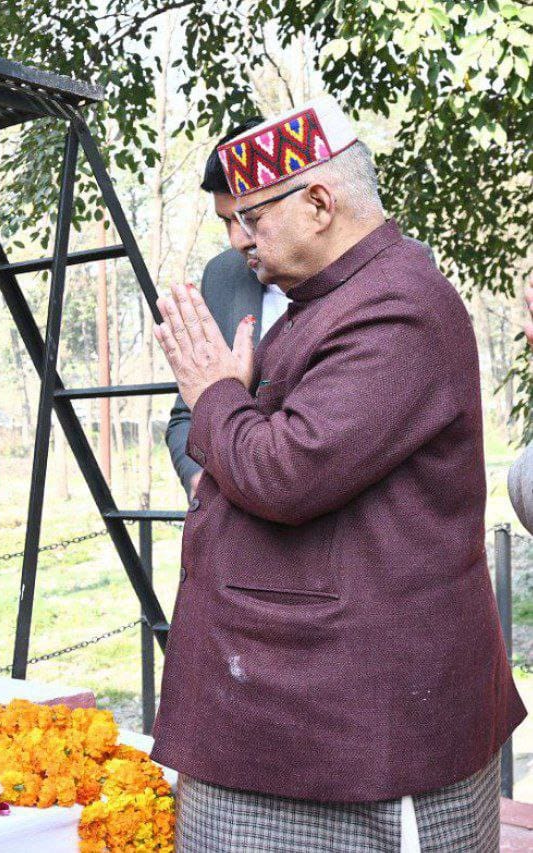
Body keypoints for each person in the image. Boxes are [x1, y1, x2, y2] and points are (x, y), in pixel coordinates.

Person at [151, 95, 524, 851]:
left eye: (249, 218)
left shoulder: (397, 305)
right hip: (287, 697)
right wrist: (231, 429)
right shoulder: (330, 301)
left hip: (337, 708)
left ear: (318, 202)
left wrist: (215, 394)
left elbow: (287, 471)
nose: (237, 242)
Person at [166, 116, 288, 500]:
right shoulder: (222, 276)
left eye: (249, 219)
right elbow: (186, 414)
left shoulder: (380, 281)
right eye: (226, 222)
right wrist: (198, 478)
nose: (238, 240)